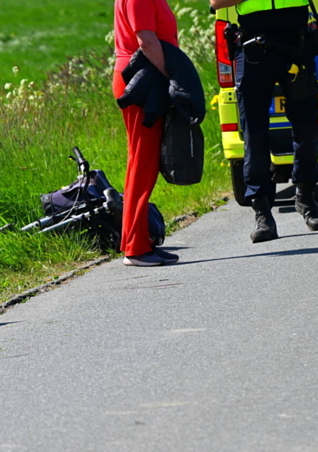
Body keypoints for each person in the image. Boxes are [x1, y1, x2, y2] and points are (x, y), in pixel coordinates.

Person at [210, 0, 318, 243]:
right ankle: (262, 213)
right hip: (253, 47)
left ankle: (306, 196)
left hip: (297, 43)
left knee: (307, 128)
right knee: (254, 133)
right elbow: (217, 2)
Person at [114, 0, 181, 266]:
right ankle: (136, 248)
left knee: (142, 163)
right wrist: (175, 77)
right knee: (143, 163)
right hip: (141, 81)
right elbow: (147, 42)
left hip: (144, 77)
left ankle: (138, 240)